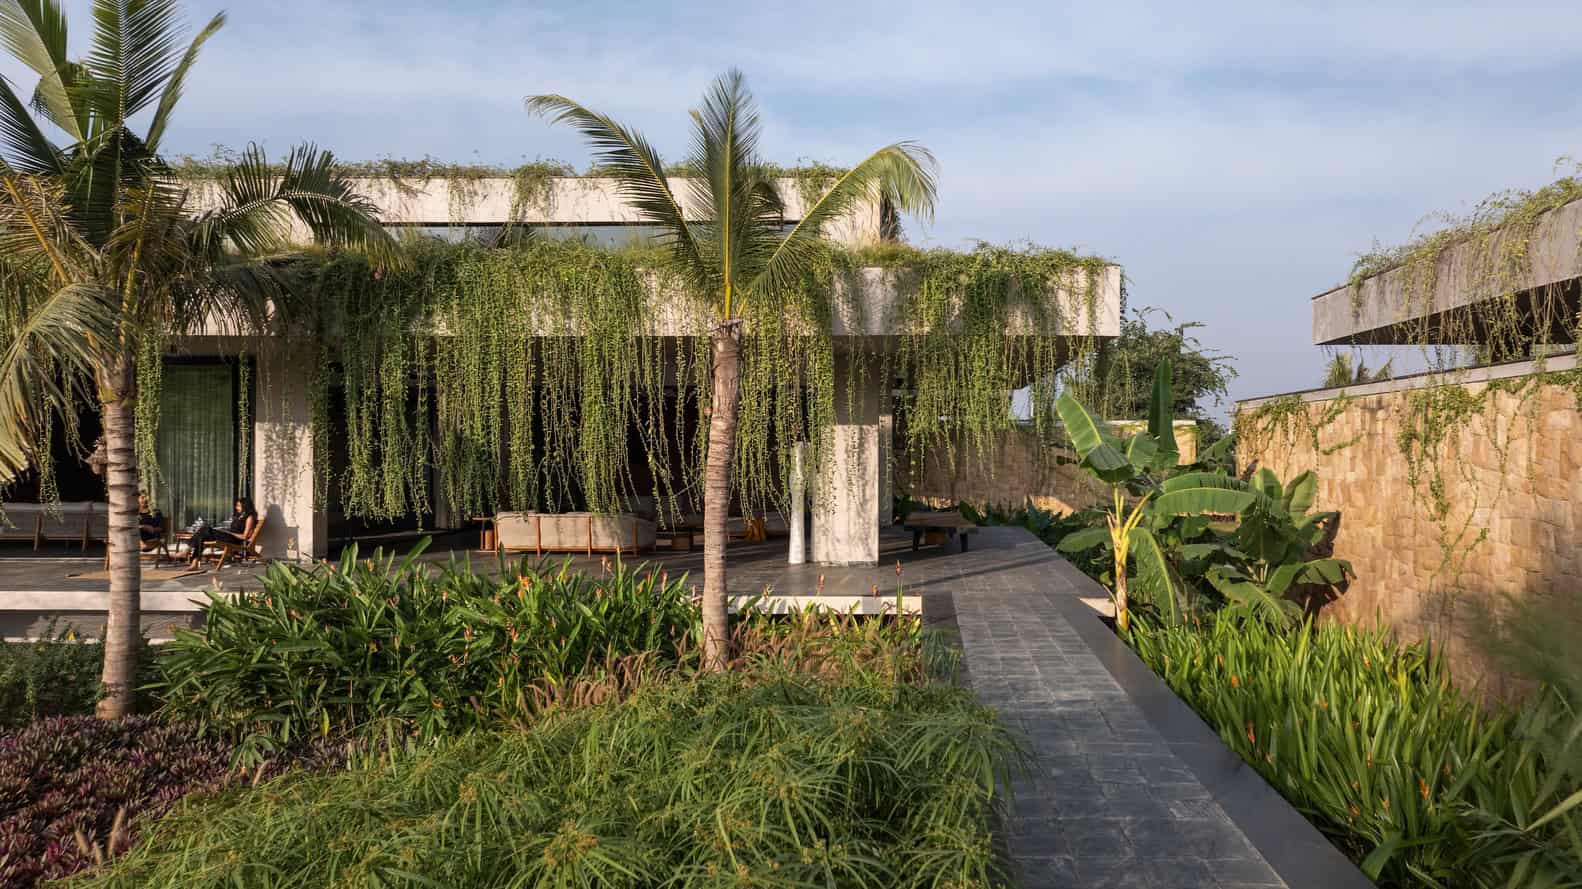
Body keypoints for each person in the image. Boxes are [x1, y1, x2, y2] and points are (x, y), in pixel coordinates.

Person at [186, 497, 257, 569]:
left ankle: (187, 551)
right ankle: (194, 562)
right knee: (202, 536)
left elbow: (244, 536)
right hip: (229, 536)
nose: (236, 508)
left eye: (238, 506)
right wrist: (225, 531)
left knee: (205, 529)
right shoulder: (239, 516)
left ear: (245, 506)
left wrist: (230, 533)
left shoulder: (249, 518)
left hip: (234, 540)